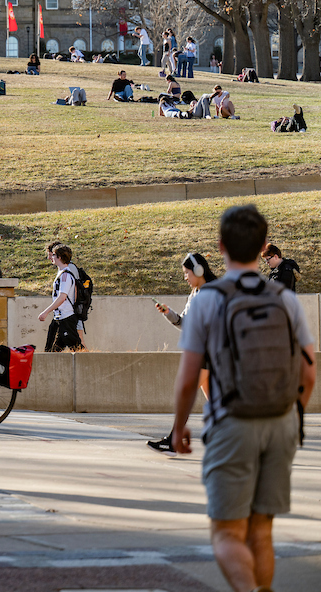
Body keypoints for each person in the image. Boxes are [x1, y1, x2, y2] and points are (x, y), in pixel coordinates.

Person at [170, 205, 315, 592]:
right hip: (281, 423)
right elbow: (309, 370)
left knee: (227, 534)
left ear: (221, 246)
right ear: (263, 246)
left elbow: (188, 378)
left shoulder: (208, 299)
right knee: (262, 532)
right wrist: (294, 416)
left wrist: (179, 427)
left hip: (232, 423)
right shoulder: (284, 298)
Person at [146, 252, 218, 455]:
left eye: (187, 272)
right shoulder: (195, 294)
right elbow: (185, 324)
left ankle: (173, 441)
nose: (185, 277)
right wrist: (169, 314)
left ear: (198, 271)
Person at [37, 242, 84, 352]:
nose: (51, 257)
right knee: (50, 350)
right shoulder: (62, 274)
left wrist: (46, 312)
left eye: (53, 255)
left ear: (59, 257)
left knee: (77, 349)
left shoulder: (66, 276)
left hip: (66, 318)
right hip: (59, 319)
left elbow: (62, 297)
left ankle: (92, 366)